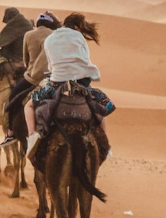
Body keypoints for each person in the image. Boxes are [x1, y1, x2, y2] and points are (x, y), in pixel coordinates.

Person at [25, 13, 114, 164]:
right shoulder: (79, 37)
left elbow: (51, 65)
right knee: (102, 107)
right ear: (77, 27)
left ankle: (33, 136)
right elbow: (85, 59)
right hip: (81, 82)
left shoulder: (50, 39)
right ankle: (106, 144)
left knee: (29, 105)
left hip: (57, 83)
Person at [0, 11, 58, 147]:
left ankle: (11, 133)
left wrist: (32, 68)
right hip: (54, 78)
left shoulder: (29, 35)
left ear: (38, 23)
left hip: (32, 79)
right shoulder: (54, 35)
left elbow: (25, 59)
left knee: (13, 97)